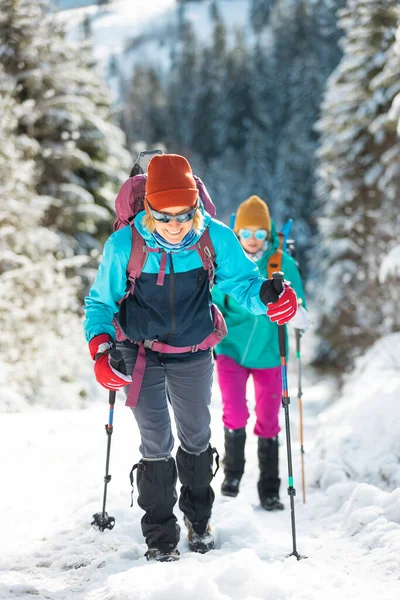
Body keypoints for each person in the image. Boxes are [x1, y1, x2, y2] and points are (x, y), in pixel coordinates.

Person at [84, 155, 298, 562]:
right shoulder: (124, 244)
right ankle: (160, 535)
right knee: (155, 441)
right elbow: (99, 303)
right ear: (148, 208)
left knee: (197, 436)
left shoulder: (213, 237)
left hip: (193, 350)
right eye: (163, 216)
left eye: (184, 214)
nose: (174, 225)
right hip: (138, 350)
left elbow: (246, 284)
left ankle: (198, 521)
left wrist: (271, 298)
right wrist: (101, 349)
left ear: (196, 205)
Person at [212, 195, 307, 510]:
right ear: (237, 234)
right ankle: (233, 475)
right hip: (231, 349)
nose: (252, 241)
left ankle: (269, 488)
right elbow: (213, 298)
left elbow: (301, 309)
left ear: (268, 234)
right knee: (235, 412)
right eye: (246, 234)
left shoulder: (282, 264)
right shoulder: (228, 259)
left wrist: (294, 313)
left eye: (259, 234)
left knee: (269, 419)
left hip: (270, 353)